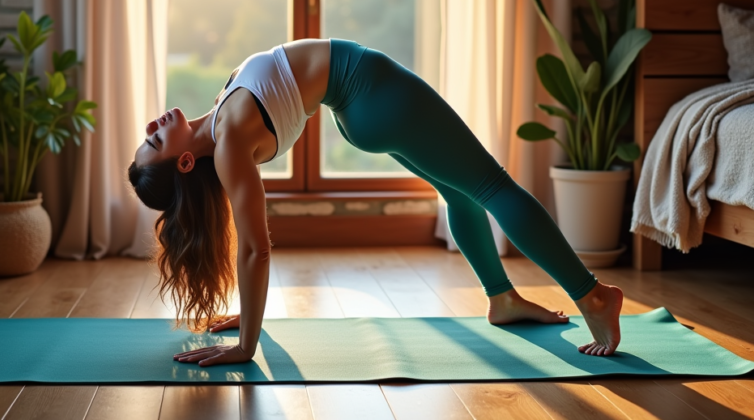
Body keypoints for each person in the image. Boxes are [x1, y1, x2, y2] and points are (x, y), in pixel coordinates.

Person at [128, 39, 623, 368]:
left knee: (457, 190)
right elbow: (255, 249)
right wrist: (246, 346)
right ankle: (592, 295)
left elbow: (245, 240)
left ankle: (503, 300)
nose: (151, 128)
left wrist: (246, 317)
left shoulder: (219, 126)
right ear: (186, 165)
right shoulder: (230, 136)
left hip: (361, 107)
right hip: (374, 93)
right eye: (153, 143)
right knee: (494, 186)